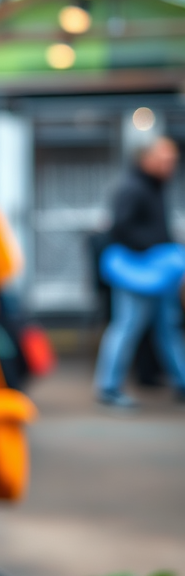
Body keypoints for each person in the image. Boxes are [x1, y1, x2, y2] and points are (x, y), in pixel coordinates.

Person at [94, 136, 185, 408]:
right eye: (165, 160)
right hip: (139, 273)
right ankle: (108, 388)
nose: (170, 166)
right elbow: (121, 230)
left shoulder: (155, 186)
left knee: (168, 329)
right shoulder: (132, 188)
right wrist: (161, 250)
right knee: (127, 327)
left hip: (159, 274)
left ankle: (181, 381)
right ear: (147, 159)